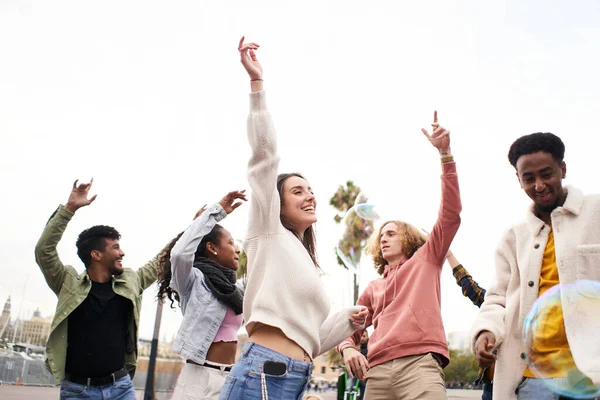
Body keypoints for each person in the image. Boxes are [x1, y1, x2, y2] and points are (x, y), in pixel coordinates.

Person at [219, 38, 367, 400]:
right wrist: (257, 85)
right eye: (298, 191)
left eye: (311, 189)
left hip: (295, 376)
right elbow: (264, 156)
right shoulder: (267, 232)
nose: (310, 195)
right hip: (263, 372)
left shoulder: (305, 261)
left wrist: (349, 318)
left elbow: (309, 341)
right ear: (276, 203)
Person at [338, 113, 462, 400]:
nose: (384, 237)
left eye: (392, 233)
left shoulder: (427, 260)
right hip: (377, 371)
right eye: (381, 234)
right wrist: (346, 347)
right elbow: (349, 328)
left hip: (420, 365)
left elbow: (450, 215)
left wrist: (445, 155)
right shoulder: (373, 288)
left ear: (408, 238)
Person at [471, 132, 600, 400]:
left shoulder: (596, 212)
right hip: (534, 379)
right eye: (528, 178)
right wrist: (485, 331)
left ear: (563, 169)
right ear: (518, 180)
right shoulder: (513, 237)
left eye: (547, 174)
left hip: (590, 374)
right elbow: (497, 299)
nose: (539, 185)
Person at [34, 179, 167, 399]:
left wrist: (196, 228)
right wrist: (69, 209)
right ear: (96, 255)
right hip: (78, 391)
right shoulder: (67, 281)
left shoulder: (130, 281)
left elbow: (161, 260)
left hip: (121, 388)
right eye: (115, 247)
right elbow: (44, 250)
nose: (122, 253)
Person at [156, 190, 247, 400]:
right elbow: (179, 253)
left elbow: (264, 269)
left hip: (230, 379)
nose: (238, 250)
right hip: (199, 379)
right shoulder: (191, 281)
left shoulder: (235, 290)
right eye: (231, 243)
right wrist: (214, 215)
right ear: (212, 248)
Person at [445, 251, 493, 400]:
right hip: (491, 386)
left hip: (521, 384)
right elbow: (468, 285)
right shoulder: (499, 303)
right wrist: (448, 255)